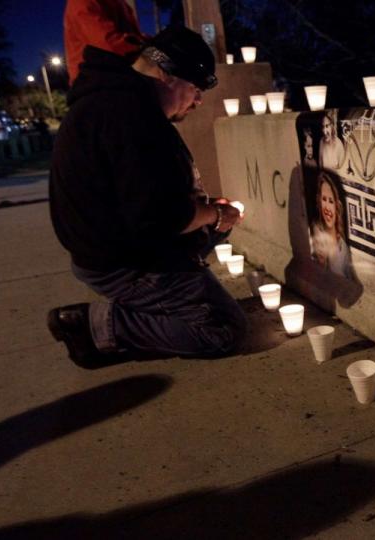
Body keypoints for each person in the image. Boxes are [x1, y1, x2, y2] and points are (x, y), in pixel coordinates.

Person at [47, 26, 248, 369]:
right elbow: (159, 217)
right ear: (166, 74)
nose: (198, 101)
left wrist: (211, 215)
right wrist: (213, 213)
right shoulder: (130, 118)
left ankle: (172, 295)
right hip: (122, 261)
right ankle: (95, 326)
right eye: (196, 89)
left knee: (218, 226)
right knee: (222, 329)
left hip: (114, 246)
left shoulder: (116, 100)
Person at [64, 0, 147, 85]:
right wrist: (145, 50)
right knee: (152, 70)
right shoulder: (80, 2)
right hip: (92, 81)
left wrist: (155, 51)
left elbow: (135, 37)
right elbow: (107, 42)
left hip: (120, 72)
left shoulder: (120, 3)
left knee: (156, 61)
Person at [310, 171, 355, 278]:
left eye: (331, 201)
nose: (327, 207)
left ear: (337, 206)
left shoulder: (343, 249)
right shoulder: (315, 232)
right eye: (324, 199)